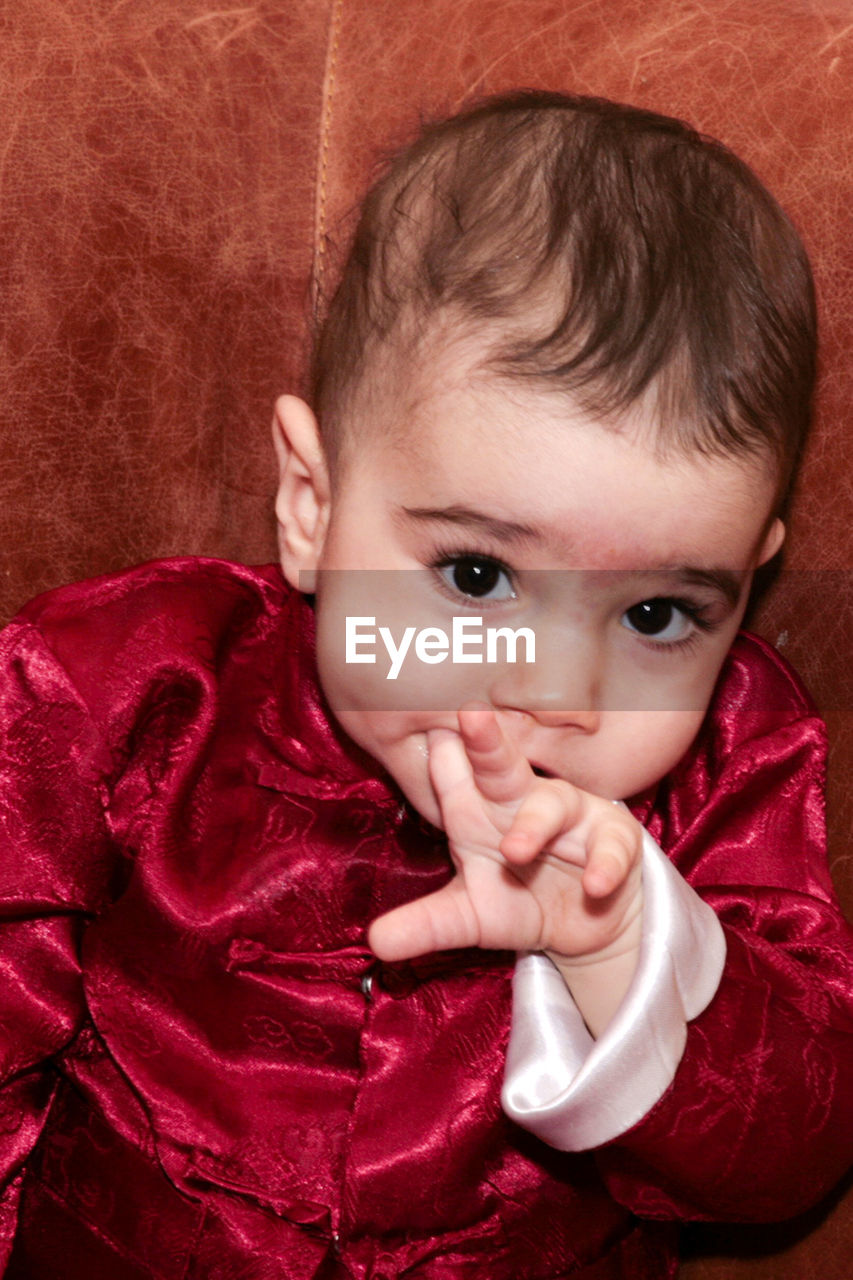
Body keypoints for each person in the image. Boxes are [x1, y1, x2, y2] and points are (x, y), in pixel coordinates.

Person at [1, 90, 851, 1279]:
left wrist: (623, 946)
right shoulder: (126, 686)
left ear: (742, 585)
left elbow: (795, 1151)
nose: (558, 687)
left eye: (656, 613)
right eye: (476, 573)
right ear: (313, 505)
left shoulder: (730, 764)